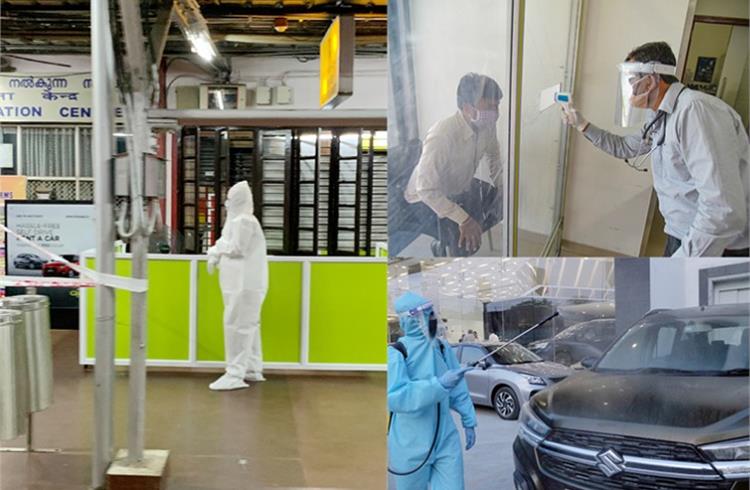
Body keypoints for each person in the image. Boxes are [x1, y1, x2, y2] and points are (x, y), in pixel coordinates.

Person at [561, 41, 749, 257]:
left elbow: (722, 208)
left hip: (716, 246)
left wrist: (683, 263)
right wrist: (582, 124)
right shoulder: (660, 114)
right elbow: (625, 147)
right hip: (682, 233)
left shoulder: (695, 111)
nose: (628, 89)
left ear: (650, 81)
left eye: (631, 81)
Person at [402, 73, 505, 257]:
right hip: (424, 198)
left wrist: (502, 190)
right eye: (490, 106)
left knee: (499, 204)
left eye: (497, 105)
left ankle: (467, 234)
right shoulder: (442, 134)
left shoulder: (487, 125)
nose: (496, 113)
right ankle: (446, 248)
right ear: (467, 107)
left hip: (458, 184)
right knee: (464, 242)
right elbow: (426, 189)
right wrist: (464, 220)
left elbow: (494, 159)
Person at [388, 292, 477, 490]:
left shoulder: (442, 347)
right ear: (406, 321)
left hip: (446, 438)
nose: (431, 318)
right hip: (410, 443)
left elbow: (458, 388)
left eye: (431, 312)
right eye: (424, 315)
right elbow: (395, 398)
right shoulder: (397, 353)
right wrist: (438, 386)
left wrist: (468, 419)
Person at [206, 181, 269, 391]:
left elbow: (236, 248)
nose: (226, 203)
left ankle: (234, 373)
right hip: (239, 285)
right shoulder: (236, 221)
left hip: (244, 286)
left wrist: (216, 249)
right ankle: (251, 368)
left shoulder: (244, 221)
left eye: (231, 199)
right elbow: (227, 242)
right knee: (247, 326)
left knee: (237, 327)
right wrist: (215, 253)